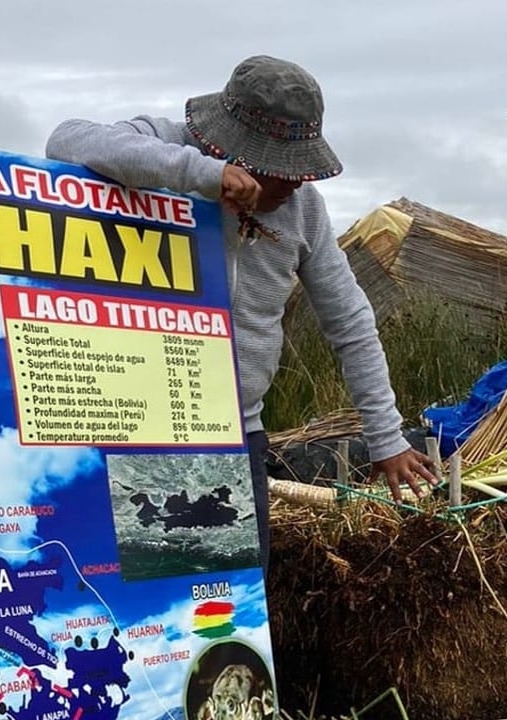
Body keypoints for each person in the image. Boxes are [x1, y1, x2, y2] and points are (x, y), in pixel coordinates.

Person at [46, 55, 438, 568]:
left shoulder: (303, 210)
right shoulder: (166, 149)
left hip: (232, 436)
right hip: (129, 428)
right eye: (282, 168)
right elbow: (66, 139)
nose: (295, 183)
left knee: (223, 604)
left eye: (302, 169)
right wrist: (202, 177)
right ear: (227, 147)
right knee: (126, 591)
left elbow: (350, 321)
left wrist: (386, 436)